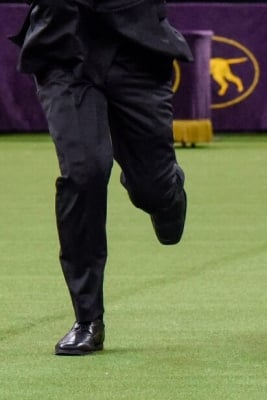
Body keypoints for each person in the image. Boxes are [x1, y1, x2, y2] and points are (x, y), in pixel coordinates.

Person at [10, 0, 192, 355]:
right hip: (64, 45)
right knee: (84, 172)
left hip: (137, 47)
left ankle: (164, 191)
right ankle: (87, 318)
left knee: (151, 188)